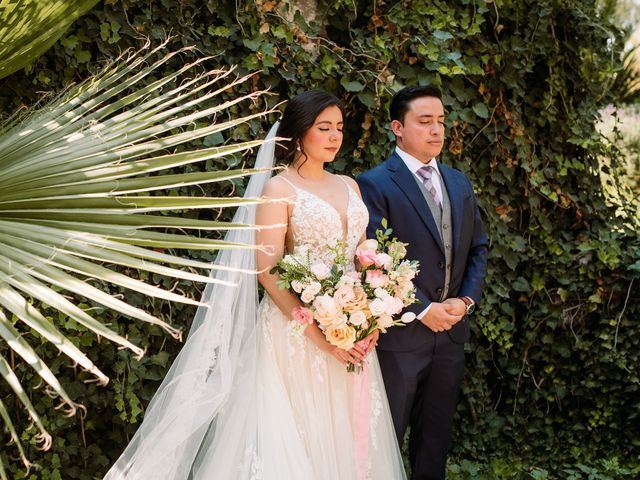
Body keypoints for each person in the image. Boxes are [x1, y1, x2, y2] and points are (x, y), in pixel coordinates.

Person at [104, 90, 406, 479]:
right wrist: (319, 334)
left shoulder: (349, 184)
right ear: (299, 134)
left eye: (340, 128)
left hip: (352, 331)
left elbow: (363, 254)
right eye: (324, 128)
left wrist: (372, 314)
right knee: (298, 437)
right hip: (296, 335)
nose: (335, 137)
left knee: (348, 437)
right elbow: (268, 271)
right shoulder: (279, 190)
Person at [357, 85, 489, 480]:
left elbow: (479, 246)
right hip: (400, 338)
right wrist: (422, 309)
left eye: (441, 121)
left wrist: (465, 302)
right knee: (384, 440)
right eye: (425, 121)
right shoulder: (374, 183)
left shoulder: (458, 182)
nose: (437, 130)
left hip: (451, 334)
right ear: (398, 127)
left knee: (435, 443)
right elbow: (372, 259)